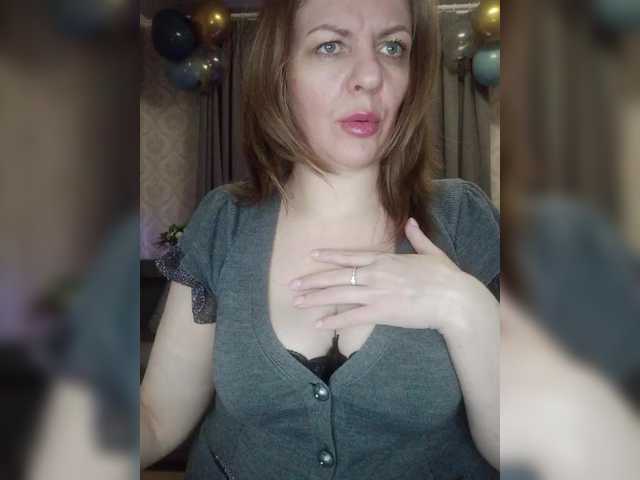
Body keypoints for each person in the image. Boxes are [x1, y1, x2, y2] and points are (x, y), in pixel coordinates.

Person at [141, 1, 499, 478]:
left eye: (393, 47)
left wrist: (464, 307)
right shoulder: (223, 223)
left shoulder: (462, 220)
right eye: (330, 46)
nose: (370, 76)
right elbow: (156, 418)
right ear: (281, 72)